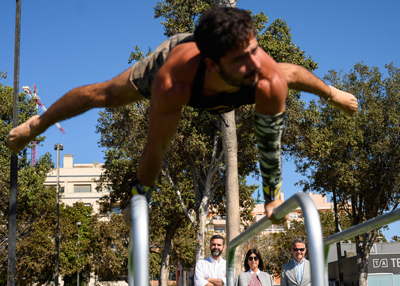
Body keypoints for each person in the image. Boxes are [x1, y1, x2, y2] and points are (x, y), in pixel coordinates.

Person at [6, 7, 358, 221]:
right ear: (213, 64)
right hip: (178, 64)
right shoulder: (172, 82)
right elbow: (157, 145)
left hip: (225, 76)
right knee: (107, 94)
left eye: (254, 50)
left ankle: (330, 92)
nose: (255, 63)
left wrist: (272, 197)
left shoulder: (264, 75)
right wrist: (140, 193)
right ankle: (39, 122)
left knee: (284, 76)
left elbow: (269, 138)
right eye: (241, 59)